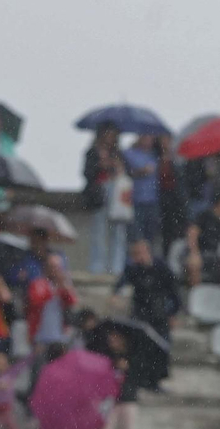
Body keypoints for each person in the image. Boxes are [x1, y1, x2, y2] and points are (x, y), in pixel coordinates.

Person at [82, 124, 127, 275]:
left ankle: (116, 267)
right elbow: (87, 173)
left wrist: (116, 165)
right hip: (99, 193)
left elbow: (125, 173)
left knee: (118, 232)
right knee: (98, 231)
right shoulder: (92, 152)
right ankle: (97, 266)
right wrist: (99, 164)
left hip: (116, 193)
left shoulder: (118, 153)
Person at [114, 239, 180, 341]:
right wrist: (115, 293)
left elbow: (174, 291)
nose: (137, 257)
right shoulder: (134, 268)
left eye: (139, 253)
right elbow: (122, 280)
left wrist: (173, 313)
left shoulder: (161, 267)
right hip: (141, 310)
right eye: (134, 254)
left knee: (162, 343)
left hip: (160, 312)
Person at [185, 190, 220, 291]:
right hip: (199, 253)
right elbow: (192, 234)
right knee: (195, 265)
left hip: (213, 256)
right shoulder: (204, 215)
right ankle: (197, 298)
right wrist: (194, 253)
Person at [124, 134, 162, 250]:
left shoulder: (155, 155)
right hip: (135, 200)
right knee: (135, 236)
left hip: (153, 200)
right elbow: (126, 173)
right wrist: (142, 171)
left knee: (149, 236)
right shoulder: (129, 153)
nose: (148, 140)